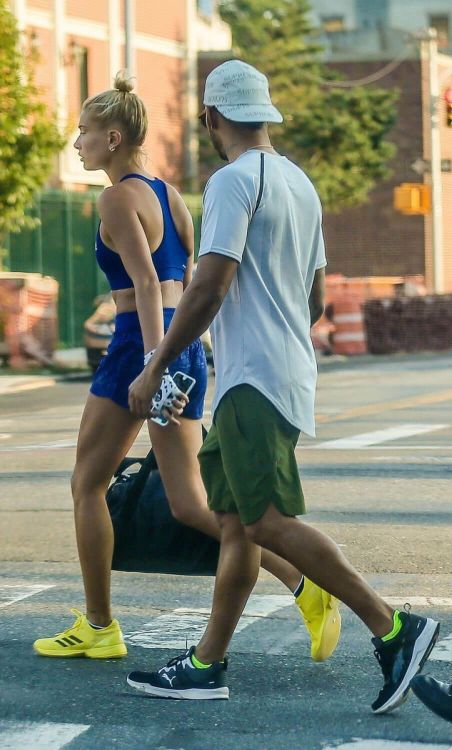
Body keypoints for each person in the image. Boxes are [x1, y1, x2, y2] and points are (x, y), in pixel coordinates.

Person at [126, 60, 440, 712]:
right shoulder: (299, 183)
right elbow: (317, 298)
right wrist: (276, 335)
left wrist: (157, 363)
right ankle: (208, 664)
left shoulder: (232, 184)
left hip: (253, 384)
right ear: (265, 114)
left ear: (212, 118)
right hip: (281, 373)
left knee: (266, 519)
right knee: (238, 524)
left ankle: (393, 628)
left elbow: (209, 285)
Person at [32, 72, 340, 662]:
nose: (77, 145)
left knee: (87, 483)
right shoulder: (168, 193)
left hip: (141, 346)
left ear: (114, 137)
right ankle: (304, 585)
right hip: (183, 346)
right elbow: (189, 269)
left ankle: (99, 623)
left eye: (84, 133)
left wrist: (153, 363)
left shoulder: (118, 197)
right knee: (192, 505)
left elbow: (148, 285)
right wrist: (175, 357)